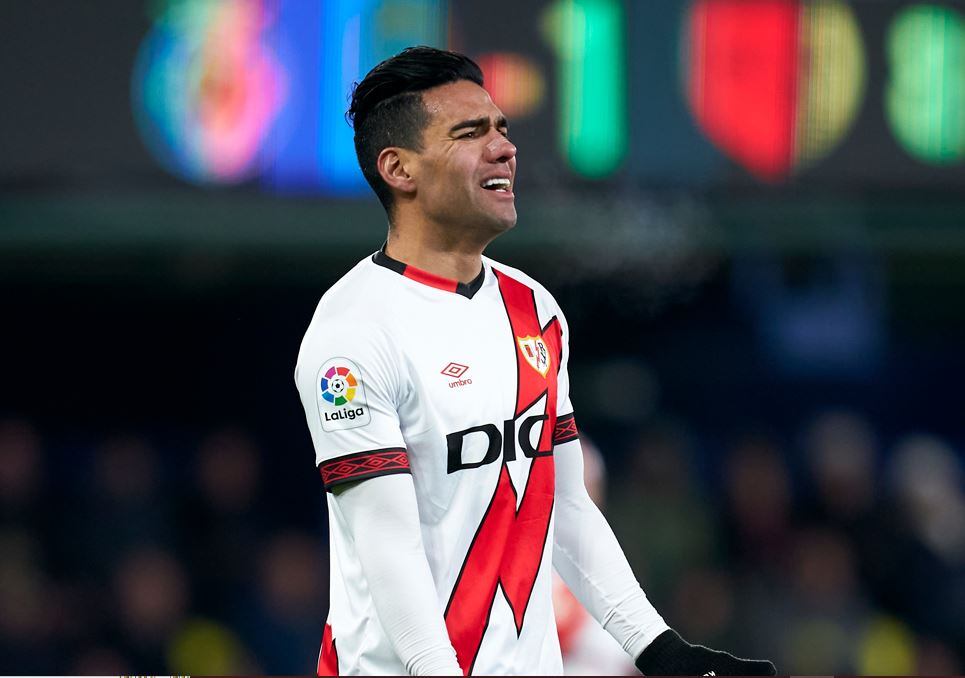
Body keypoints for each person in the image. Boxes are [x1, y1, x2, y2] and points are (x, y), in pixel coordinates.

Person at [295, 46, 777, 676]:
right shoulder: (353, 334)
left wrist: (662, 652)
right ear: (399, 169)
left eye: (502, 128)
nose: (504, 148)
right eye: (471, 133)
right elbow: (389, 549)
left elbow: (568, 508)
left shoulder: (535, 309)